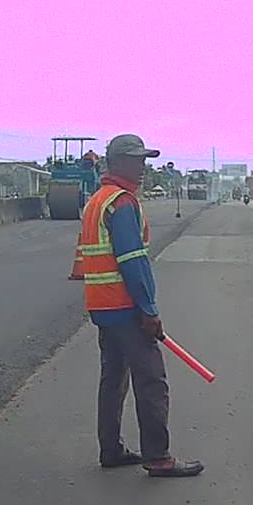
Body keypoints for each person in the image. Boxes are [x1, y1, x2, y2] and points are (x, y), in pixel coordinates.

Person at [78, 134, 203, 477]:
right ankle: (158, 457)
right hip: (125, 308)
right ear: (117, 162)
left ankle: (111, 449)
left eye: (144, 159)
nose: (143, 167)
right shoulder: (121, 204)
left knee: (113, 379)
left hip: (103, 308)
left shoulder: (98, 201)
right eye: (136, 160)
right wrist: (149, 309)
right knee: (151, 381)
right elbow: (133, 261)